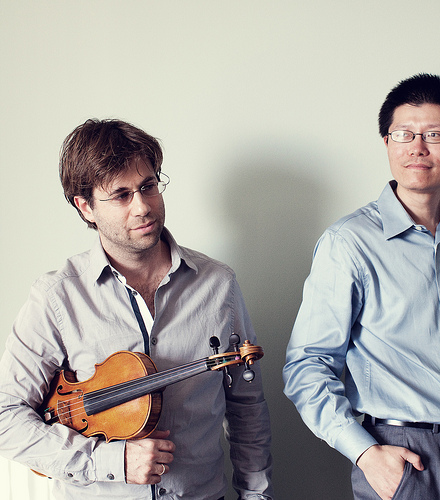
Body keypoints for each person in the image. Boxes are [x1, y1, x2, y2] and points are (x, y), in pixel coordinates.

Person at [0, 119, 273, 500]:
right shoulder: (56, 297)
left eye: (148, 186)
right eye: (121, 195)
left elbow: (247, 409)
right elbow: (6, 417)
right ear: (86, 207)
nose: (143, 207)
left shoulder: (219, 284)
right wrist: (110, 462)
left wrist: (256, 495)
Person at [283, 74, 440, 500]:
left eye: (434, 134)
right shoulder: (349, 242)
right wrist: (366, 454)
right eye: (403, 134)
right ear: (387, 142)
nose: (417, 147)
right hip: (405, 458)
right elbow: (307, 364)